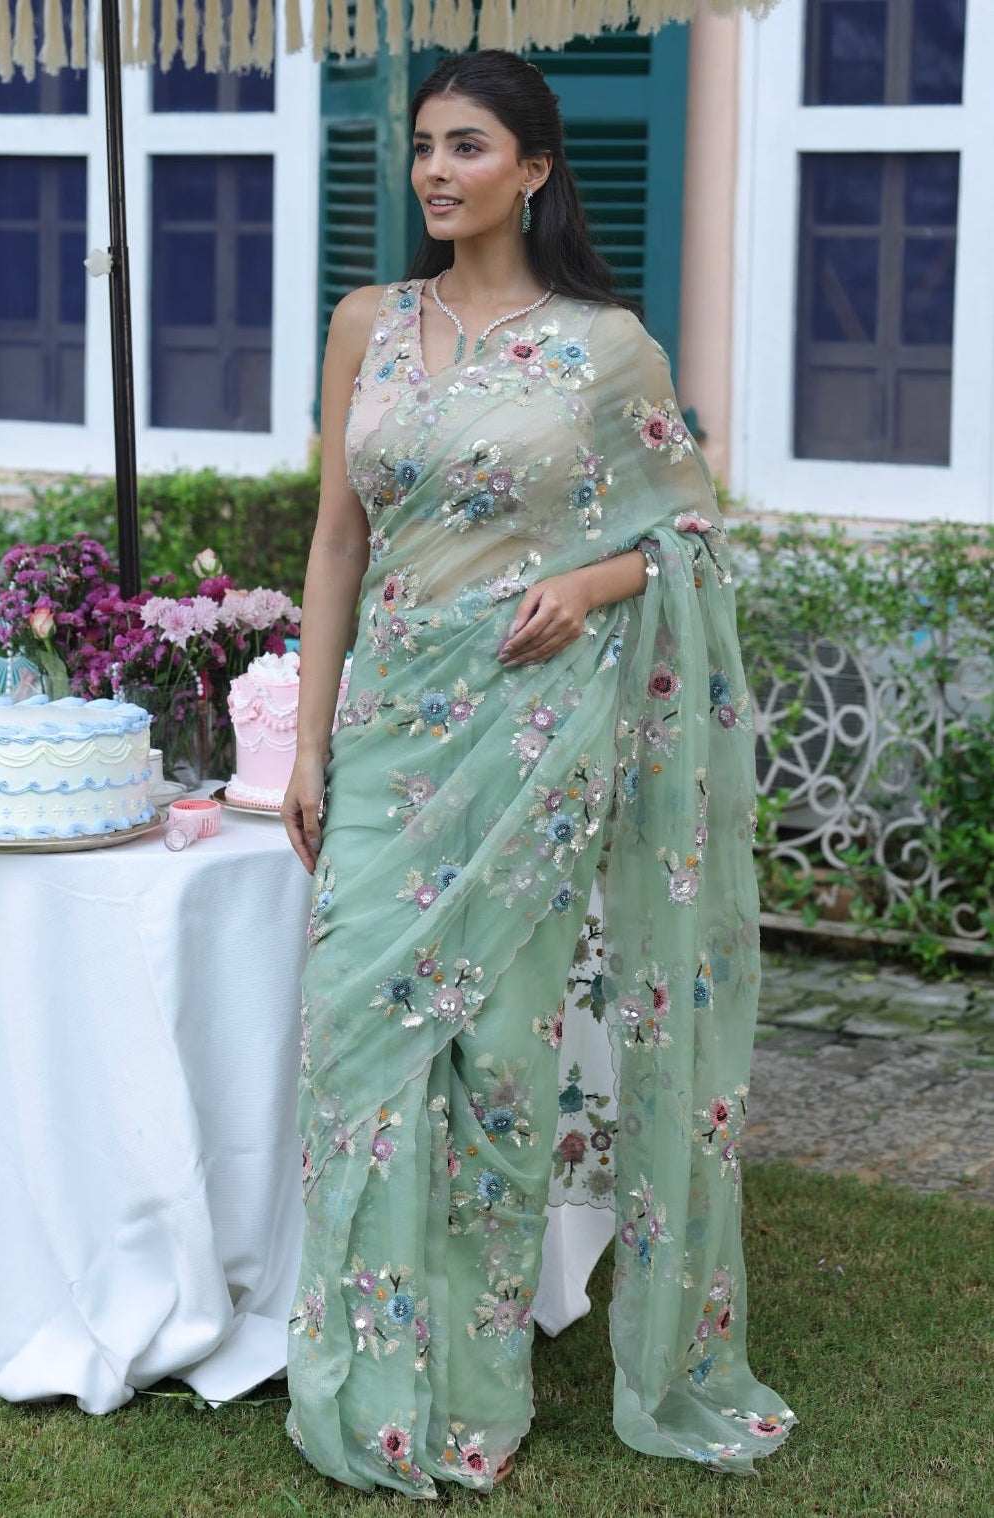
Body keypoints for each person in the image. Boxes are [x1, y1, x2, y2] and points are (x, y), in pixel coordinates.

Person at [280, 48, 794, 1497]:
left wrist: (597, 580)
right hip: (387, 735)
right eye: (425, 147)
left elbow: (688, 538)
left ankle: (472, 1393)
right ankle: (369, 1385)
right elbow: (337, 538)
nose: (437, 170)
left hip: (526, 740)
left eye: (469, 146)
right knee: (354, 1050)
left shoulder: (604, 347)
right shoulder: (368, 323)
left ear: (537, 166)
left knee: (500, 1065)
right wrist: (312, 739)